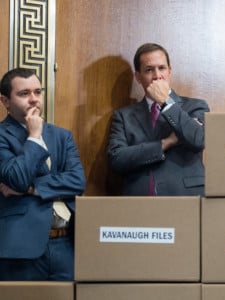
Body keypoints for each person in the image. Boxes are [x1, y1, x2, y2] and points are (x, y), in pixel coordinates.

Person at [0, 68, 86, 280]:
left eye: (38, 92)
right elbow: (17, 178)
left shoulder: (62, 136)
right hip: (21, 247)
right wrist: (35, 137)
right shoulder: (2, 135)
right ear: (5, 101)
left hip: (66, 244)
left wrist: (33, 188)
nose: (34, 100)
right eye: (24, 94)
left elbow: (77, 182)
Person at [108, 43, 209, 196]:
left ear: (169, 71)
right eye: (149, 70)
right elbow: (117, 160)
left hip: (187, 201)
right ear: (138, 77)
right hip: (140, 205)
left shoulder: (196, 106)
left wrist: (165, 102)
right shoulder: (123, 116)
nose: (157, 75)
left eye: (162, 68)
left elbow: (198, 139)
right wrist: (166, 143)